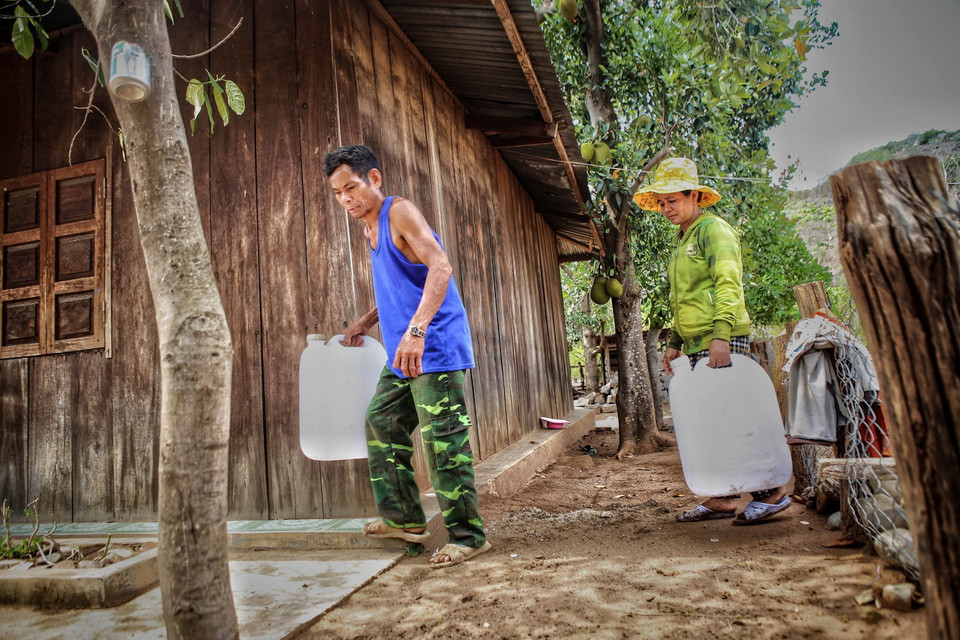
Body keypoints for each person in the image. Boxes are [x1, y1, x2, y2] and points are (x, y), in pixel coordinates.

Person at [323, 145, 491, 567]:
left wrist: (416, 331)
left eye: (352, 187)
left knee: (443, 445)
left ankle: (469, 538)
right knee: (382, 421)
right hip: (404, 353)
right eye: (338, 193)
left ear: (374, 179)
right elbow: (403, 285)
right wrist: (366, 321)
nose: (346, 199)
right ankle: (405, 520)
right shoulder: (369, 227)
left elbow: (440, 267)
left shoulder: (399, 212)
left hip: (434, 348)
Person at [633, 157, 791, 525]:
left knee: (733, 414)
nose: (665, 208)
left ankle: (771, 494)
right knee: (710, 419)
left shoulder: (713, 230)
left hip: (721, 337)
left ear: (695, 196)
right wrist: (676, 339)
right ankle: (721, 498)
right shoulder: (683, 238)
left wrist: (721, 334)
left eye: (672, 200)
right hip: (696, 341)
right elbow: (684, 297)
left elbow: (728, 283)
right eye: (661, 202)